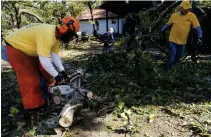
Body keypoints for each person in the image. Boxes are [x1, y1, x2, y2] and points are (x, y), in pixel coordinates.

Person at [2, 16, 79, 125]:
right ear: (64, 29)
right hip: (14, 47)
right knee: (30, 80)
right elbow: (44, 60)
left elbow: (55, 56)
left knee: (45, 73)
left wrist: (62, 72)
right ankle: (32, 114)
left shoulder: (56, 37)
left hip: (28, 49)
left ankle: (43, 101)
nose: (71, 38)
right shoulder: (47, 34)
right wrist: (57, 76)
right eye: (72, 35)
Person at [161, 0, 203, 71]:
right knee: (172, 56)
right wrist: (161, 30)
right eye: (186, 9)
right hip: (173, 39)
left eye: (188, 9)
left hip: (182, 41)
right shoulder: (174, 15)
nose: (187, 10)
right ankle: (167, 72)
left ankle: (174, 71)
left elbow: (197, 28)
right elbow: (168, 24)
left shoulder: (192, 16)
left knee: (179, 57)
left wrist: (200, 37)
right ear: (181, 7)